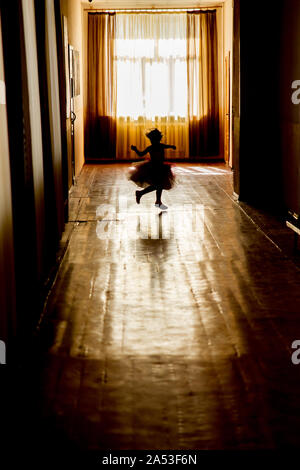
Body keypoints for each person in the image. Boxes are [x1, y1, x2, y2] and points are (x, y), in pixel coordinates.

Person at [128, 128, 176, 210]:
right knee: (158, 185)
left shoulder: (159, 146)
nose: (152, 141)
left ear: (158, 139)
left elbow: (168, 146)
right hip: (154, 168)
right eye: (152, 140)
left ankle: (158, 201)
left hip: (161, 167)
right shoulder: (152, 147)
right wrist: (135, 149)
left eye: (154, 139)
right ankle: (141, 193)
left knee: (160, 185)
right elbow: (141, 154)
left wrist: (172, 146)